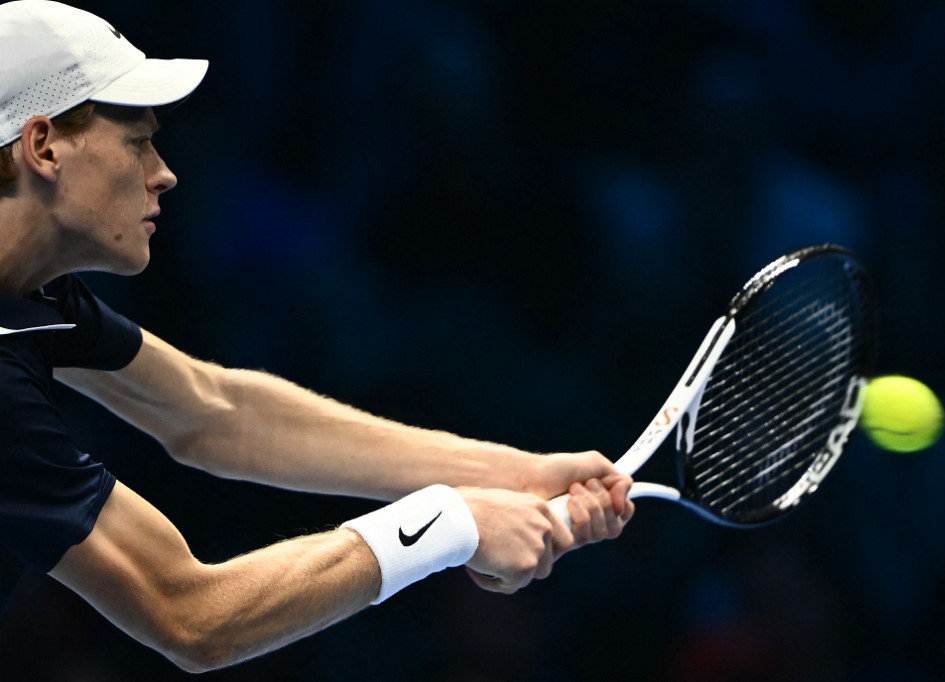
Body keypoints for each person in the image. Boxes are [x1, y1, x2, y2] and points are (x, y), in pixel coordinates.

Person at [0, 1, 634, 673]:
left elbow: (216, 413)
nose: (164, 171)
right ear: (43, 147)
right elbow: (191, 613)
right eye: (137, 142)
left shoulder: (30, 294)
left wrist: (517, 476)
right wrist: (451, 525)